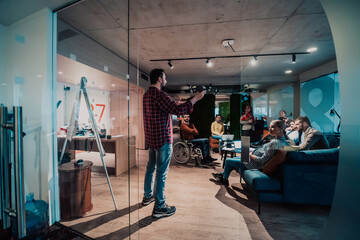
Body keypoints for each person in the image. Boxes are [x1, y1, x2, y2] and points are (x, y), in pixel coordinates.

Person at [142, 68, 205, 219]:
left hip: (151, 139)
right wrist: (196, 98)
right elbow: (177, 110)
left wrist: (174, 104)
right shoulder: (160, 94)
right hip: (163, 139)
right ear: (159, 79)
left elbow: (167, 108)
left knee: (151, 168)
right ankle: (159, 206)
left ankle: (147, 196)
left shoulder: (146, 95)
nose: (166, 81)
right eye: (164, 78)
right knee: (161, 173)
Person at [212, 120, 289, 185]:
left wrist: (250, 155)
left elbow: (262, 160)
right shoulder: (284, 142)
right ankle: (222, 175)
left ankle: (224, 179)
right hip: (253, 161)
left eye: (273, 127)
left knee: (228, 161)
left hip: (255, 164)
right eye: (270, 127)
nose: (270, 129)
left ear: (281, 128)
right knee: (237, 156)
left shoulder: (275, 142)